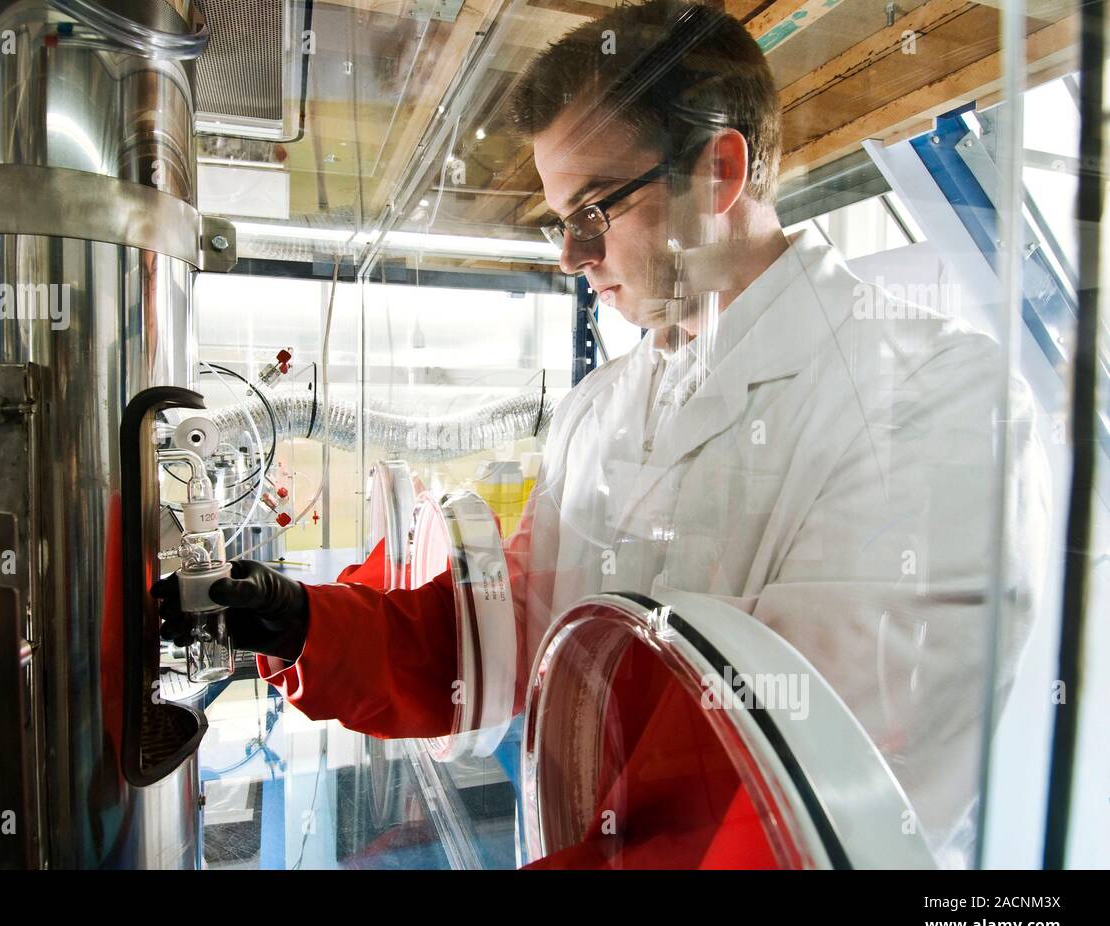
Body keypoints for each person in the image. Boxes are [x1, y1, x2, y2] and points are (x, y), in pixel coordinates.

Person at [157, 0, 1050, 866]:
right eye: (559, 222)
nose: (570, 258)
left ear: (719, 174)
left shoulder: (932, 399)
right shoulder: (604, 407)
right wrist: (308, 625)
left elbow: (770, 811)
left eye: (593, 213)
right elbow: (508, 629)